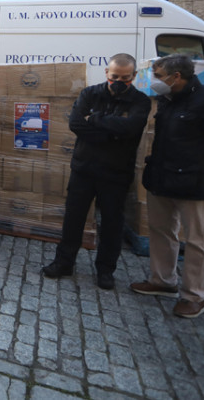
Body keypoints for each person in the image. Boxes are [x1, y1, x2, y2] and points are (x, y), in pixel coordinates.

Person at [130, 54, 204, 318]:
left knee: (197, 240)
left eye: (158, 76)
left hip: (197, 182)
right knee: (161, 231)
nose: (154, 80)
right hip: (162, 177)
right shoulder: (167, 99)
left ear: (177, 77)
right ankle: (162, 280)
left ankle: (194, 296)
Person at [42, 54, 151, 289]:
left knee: (112, 223)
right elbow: (76, 124)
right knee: (73, 218)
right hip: (84, 168)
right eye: (114, 77)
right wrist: (113, 133)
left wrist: (97, 119)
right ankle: (64, 262)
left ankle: (105, 270)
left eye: (125, 78)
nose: (119, 81)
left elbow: (132, 128)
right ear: (106, 73)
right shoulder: (89, 94)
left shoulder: (140, 101)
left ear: (134, 76)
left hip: (116, 172)